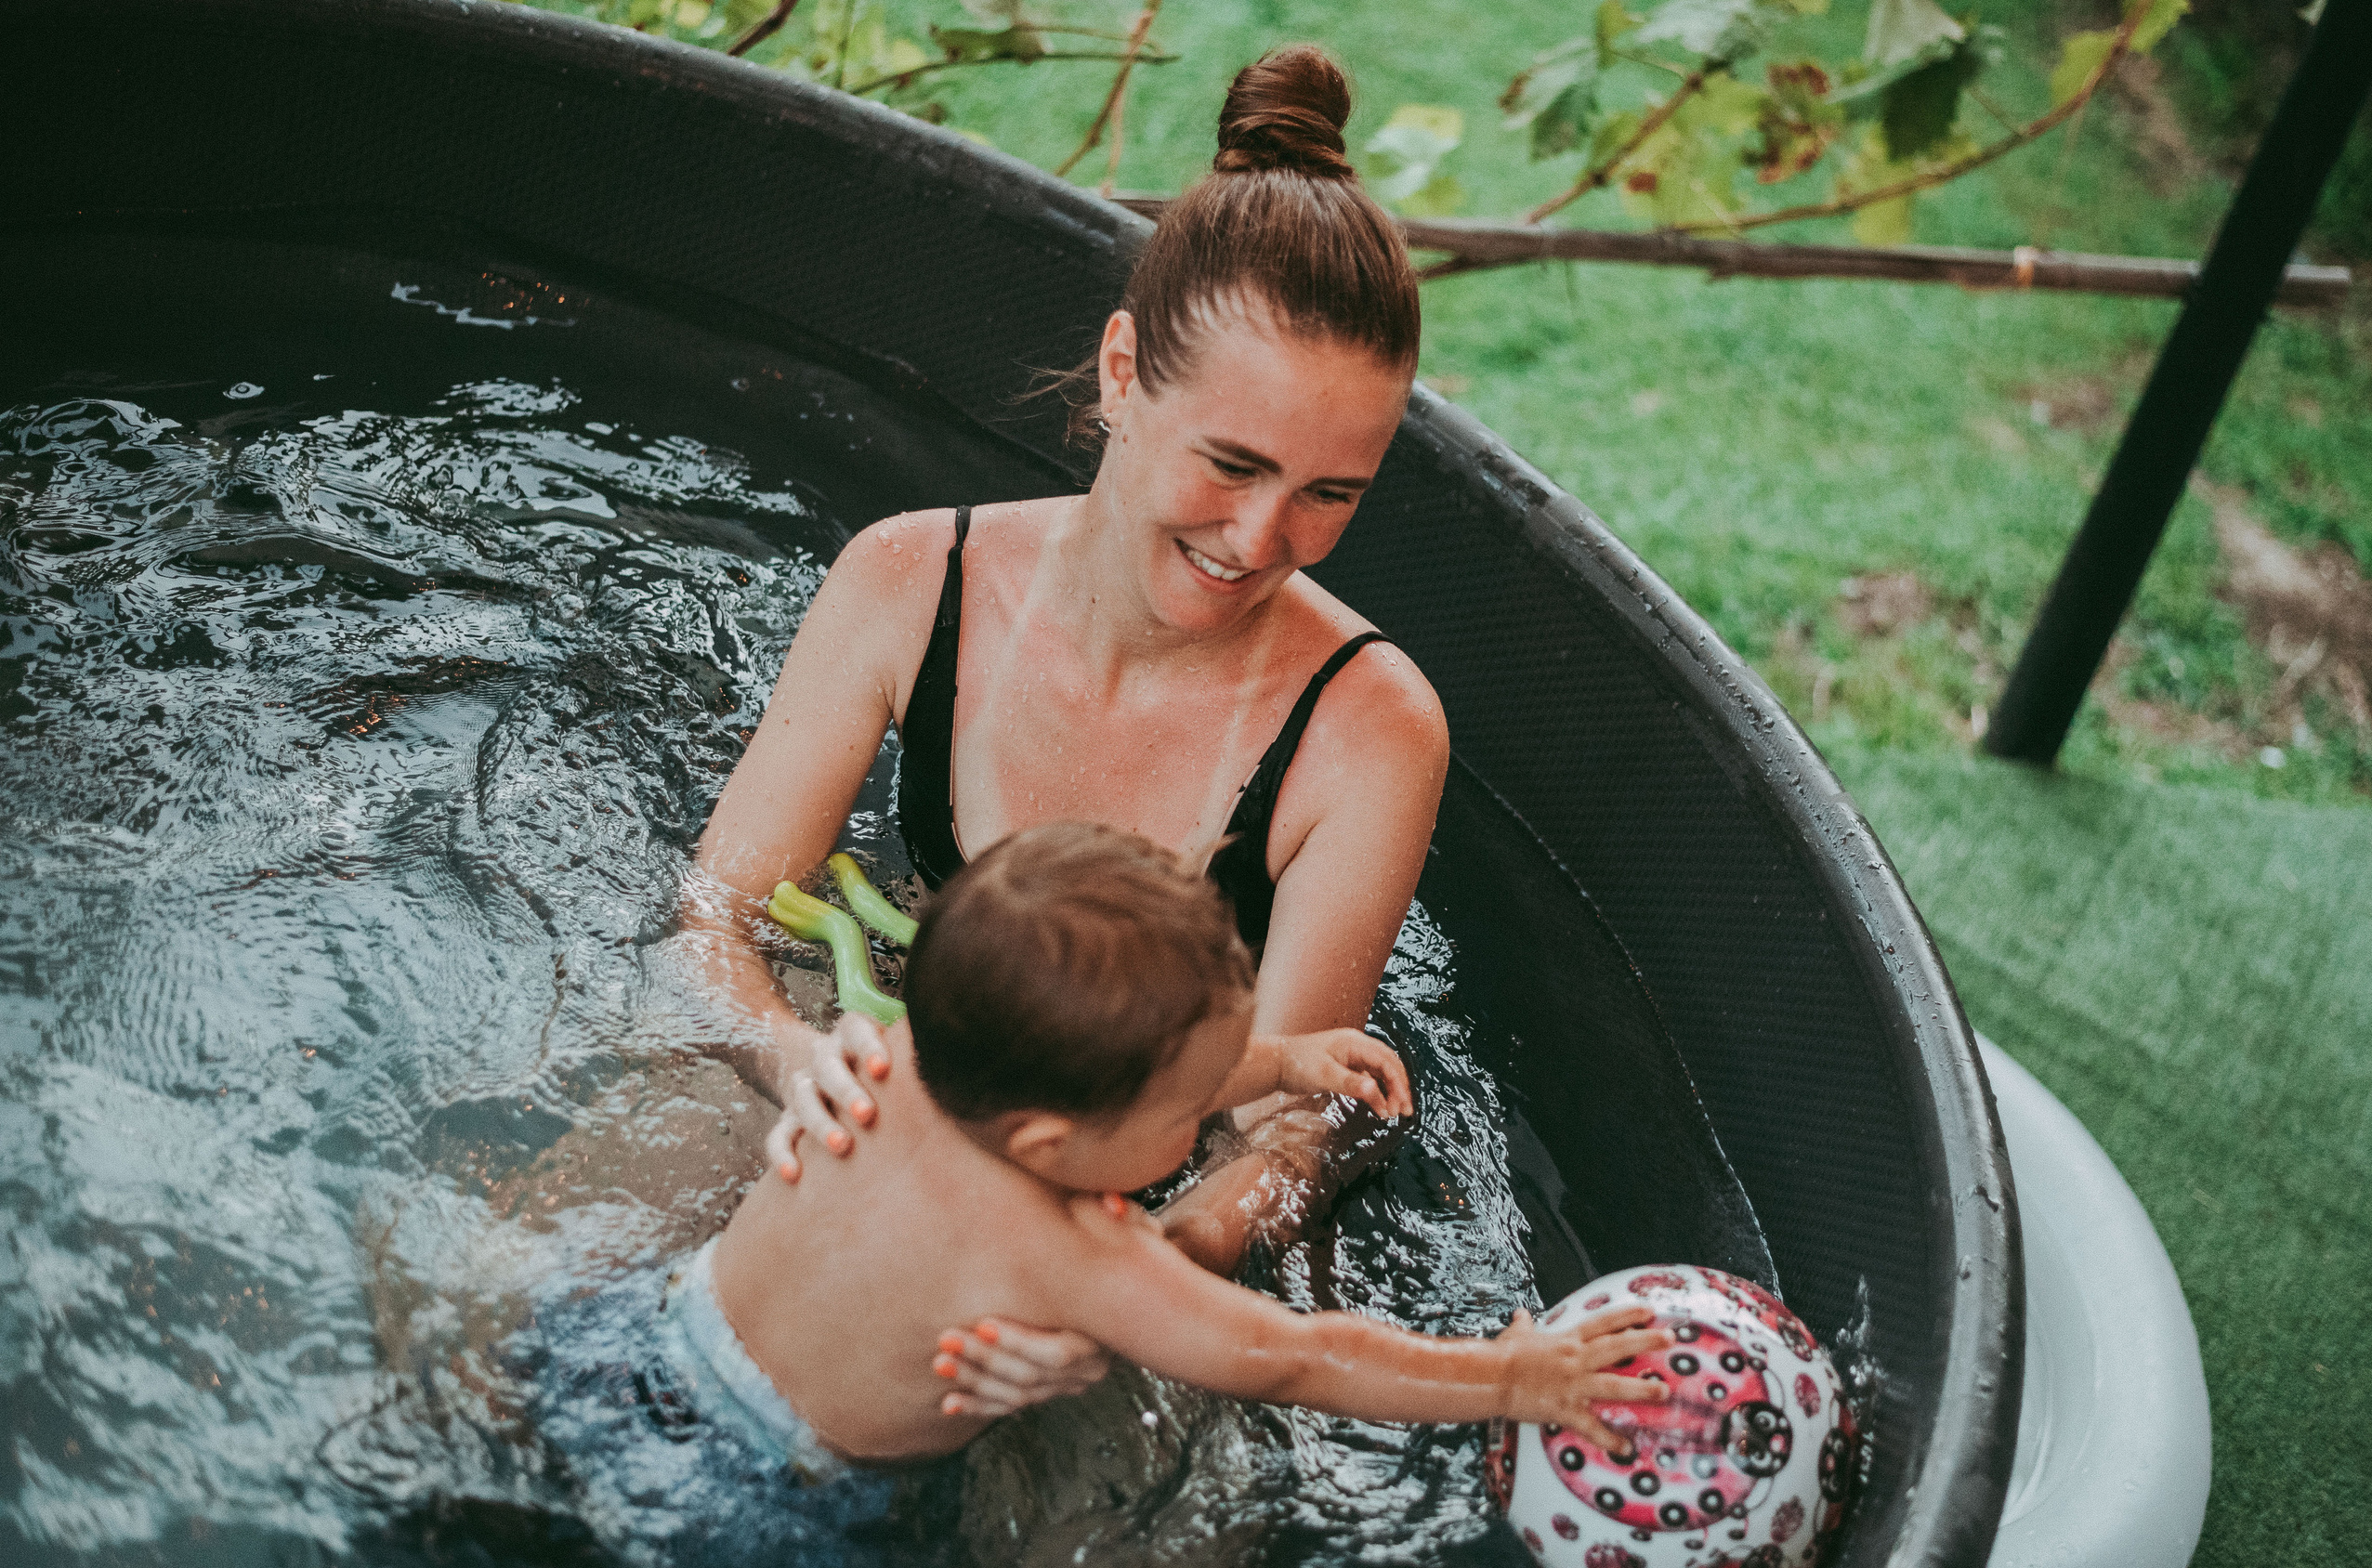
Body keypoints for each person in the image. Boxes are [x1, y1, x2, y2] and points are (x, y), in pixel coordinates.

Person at [683, 43, 1448, 1416]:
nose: (1262, 541)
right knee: (499, 1298)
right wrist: (796, 1067)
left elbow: (1284, 1114)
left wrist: (1152, 1268)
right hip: (872, 1068)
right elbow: (714, 916)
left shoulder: (1368, 728)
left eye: (1332, 494)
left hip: (1130, 1167)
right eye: (1232, 463)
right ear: (1122, 370)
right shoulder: (913, 582)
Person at [630, 826, 1667, 1494]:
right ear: (1050, 1145)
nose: (1213, 1111)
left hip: (660, 1330)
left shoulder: (904, 1055)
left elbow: (1131, 1077)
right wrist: (1506, 1376)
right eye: (1191, 1100)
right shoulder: (1071, 1246)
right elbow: (1292, 1355)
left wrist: (1283, 1056)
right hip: (772, 1487)